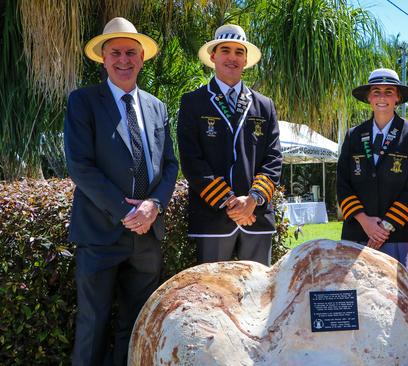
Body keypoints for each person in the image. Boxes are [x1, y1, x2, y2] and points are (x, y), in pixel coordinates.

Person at [64, 17, 178, 365]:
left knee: (137, 328)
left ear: (142, 58)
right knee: (92, 326)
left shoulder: (157, 107)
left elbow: (170, 165)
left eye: (131, 52)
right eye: (116, 53)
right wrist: (127, 212)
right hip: (99, 235)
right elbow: (80, 166)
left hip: (146, 239)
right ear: (103, 58)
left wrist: (154, 206)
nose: (124, 60)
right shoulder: (83, 102)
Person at [177, 24, 282, 265]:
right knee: (214, 296)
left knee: (258, 295)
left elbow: (273, 159)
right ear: (213, 56)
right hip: (213, 219)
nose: (232, 58)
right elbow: (192, 161)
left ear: (246, 60)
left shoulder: (264, 105)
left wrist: (253, 200)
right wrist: (230, 202)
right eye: (225, 50)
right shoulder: (193, 102)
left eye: (239, 52)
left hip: (256, 218)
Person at [336, 68, 408, 277]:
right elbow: (342, 183)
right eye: (376, 91)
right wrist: (365, 221)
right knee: (356, 300)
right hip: (358, 233)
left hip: (396, 236)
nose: (382, 97)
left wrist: (384, 228)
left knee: (397, 302)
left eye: (388, 91)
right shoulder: (354, 135)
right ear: (369, 98)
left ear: (398, 97)